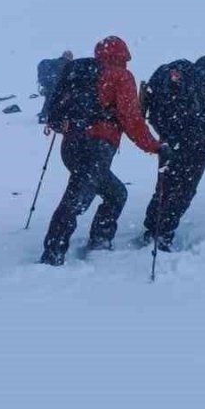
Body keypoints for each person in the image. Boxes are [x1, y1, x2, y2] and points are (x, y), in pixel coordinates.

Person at [41, 36, 163, 266]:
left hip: (70, 146)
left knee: (115, 194)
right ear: (124, 54)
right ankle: (52, 256)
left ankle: (98, 242)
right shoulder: (120, 75)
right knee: (76, 200)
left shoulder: (79, 71)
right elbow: (131, 120)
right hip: (96, 147)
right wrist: (154, 146)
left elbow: (58, 106)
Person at [141, 54, 205, 249]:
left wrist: (168, 134)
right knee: (185, 188)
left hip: (168, 139)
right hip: (197, 140)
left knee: (166, 183)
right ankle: (163, 233)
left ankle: (152, 228)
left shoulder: (174, 76)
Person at [36, 50, 73, 123]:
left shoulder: (54, 62)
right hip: (56, 85)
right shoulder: (65, 63)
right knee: (56, 100)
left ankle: (44, 116)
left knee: (49, 100)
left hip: (49, 84)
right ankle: (47, 116)